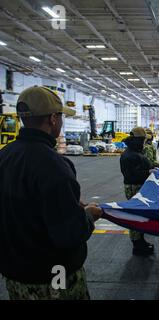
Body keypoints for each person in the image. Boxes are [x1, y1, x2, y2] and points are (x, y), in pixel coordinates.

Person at [0, 86, 103, 300]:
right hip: (52, 278)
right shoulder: (55, 166)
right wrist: (88, 215)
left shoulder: (5, 156)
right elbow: (69, 234)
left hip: (15, 276)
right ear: (53, 119)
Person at [120, 127, 155, 256]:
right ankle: (137, 244)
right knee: (135, 216)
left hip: (138, 186)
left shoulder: (134, 152)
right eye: (143, 140)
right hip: (134, 187)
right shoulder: (129, 155)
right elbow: (132, 175)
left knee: (140, 215)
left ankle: (140, 240)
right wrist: (148, 172)